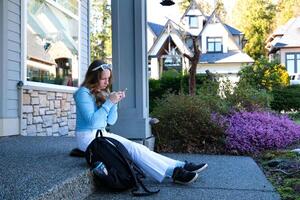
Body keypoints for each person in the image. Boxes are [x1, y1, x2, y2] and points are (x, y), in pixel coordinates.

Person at [73, 59, 208, 184]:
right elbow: (92, 122)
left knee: (139, 147)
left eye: (108, 79)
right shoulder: (82, 93)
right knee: (132, 149)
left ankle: (179, 165)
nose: (107, 82)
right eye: (103, 79)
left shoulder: (100, 91)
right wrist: (109, 103)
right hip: (88, 138)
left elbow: (111, 121)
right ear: (93, 77)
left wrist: (114, 104)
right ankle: (173, 173)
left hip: (101, 134)